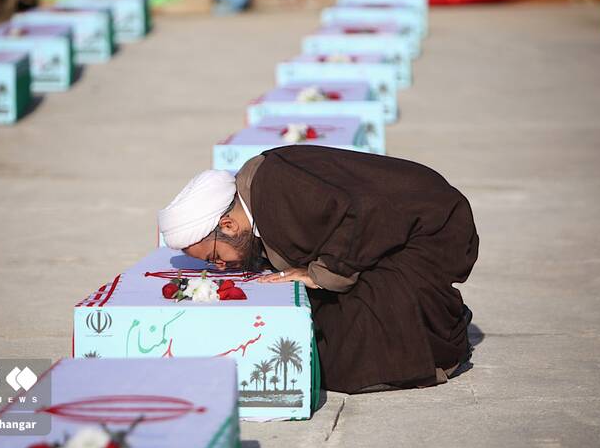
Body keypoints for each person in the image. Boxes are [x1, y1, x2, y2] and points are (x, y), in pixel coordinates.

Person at [158, 146, 479, 394]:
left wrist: (318, 273)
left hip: (428, 232)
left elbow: (362, 212)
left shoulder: (276, 187)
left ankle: (441, 331)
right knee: (312, 319)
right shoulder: (257, 200)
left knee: (344, 346)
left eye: (214, 256)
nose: (219, 266)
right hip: (385, 232)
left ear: (228, 224)